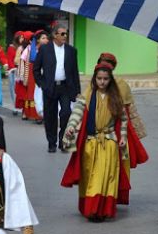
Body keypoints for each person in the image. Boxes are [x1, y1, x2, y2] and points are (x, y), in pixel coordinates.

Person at [61, 62, 147, 221]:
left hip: (109, 144)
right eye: (99, 78)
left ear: (110, 79)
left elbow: (123, 120)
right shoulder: (86, 96)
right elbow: (76, 114)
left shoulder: (116, 98)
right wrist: (71, 127)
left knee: (105, 177)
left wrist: (122, 138)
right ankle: (91, 208)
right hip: (90, 144)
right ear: (95, 79)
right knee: (89, 178)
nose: (102, 82)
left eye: (105, 79)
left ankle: (99, 211)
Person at [33, 23, 81, 153]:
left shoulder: (71, 51)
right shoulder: (45, 49)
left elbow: (74, 72)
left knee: (66, 113)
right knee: (50, 116)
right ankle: (51, 142)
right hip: (50, 87)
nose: (65, 36)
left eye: (66, 33)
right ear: (55, 35)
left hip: (65, 87)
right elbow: (36, 69)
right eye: (62, 34)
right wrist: (42, 84)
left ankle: (62, 141)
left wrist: (77, 91)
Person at [96, 52, 147, 140]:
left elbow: (129, 108)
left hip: (118, 123)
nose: (102, 81)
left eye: (108, 63)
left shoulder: (121, 84)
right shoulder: (94, 83)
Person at [17, 31, 42, 123]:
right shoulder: (28, 49)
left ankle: (40, 114)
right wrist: (22, 75)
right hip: (31, 75)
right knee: (30, 94)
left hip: (42, 74)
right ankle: (31, 114)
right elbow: (22, 62)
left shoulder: (45, 49)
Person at [33, 31, 50, 119]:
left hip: (50, 78)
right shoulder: (34, 50)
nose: (46, 40)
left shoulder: (51, 50)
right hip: (41, 77)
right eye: (43, 38)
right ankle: (41, 113)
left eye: (47, 38)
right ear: (38, 40)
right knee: (39, 95)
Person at [6, 32, 22, 116]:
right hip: (13, 71)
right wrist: (13, 68)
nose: (21, 39)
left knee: (21, 89)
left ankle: (21, 106)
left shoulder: (24, 47)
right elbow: (9, 59)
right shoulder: (11, 48)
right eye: (20, 38)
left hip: (22, 71)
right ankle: (14, 106)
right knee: (13, 89)